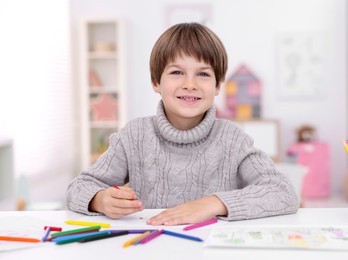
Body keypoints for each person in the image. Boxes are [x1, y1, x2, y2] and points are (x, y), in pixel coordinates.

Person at [66, 22, 299, 226]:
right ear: (156, 81)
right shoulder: (134, 136)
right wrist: (100, 200)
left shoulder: (233, 139)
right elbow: (79, 187)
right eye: (177, 72)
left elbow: (283, 192)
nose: (190, 84)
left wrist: (214, 203)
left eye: (203, 74)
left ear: (218, 86)